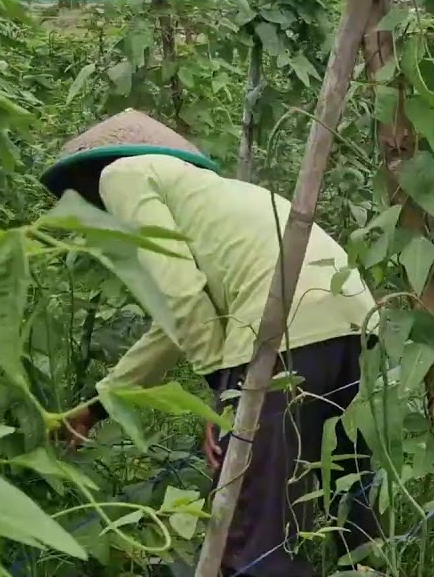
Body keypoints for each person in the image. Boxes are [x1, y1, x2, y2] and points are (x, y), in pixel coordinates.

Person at [43, 110, 381, 577]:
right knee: (352, 507)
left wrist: (224, 398)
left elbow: (182, 297)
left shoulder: (121, 176)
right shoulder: (215, 196)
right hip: (353, 319)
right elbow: (172, 324)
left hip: (282, 330)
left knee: (254, 538)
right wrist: (98, 406)